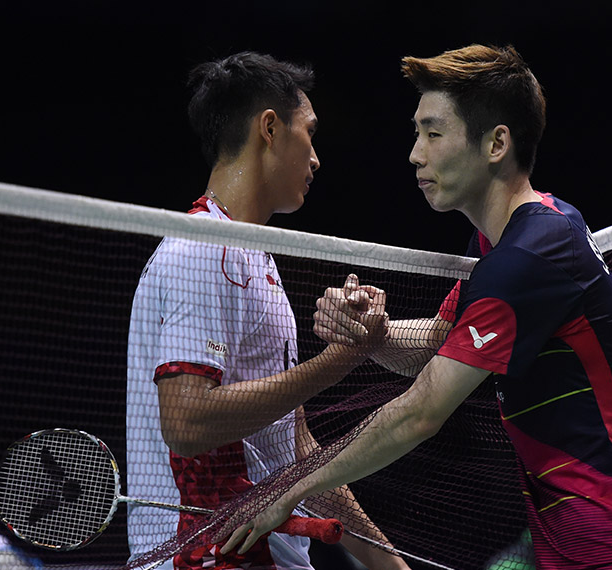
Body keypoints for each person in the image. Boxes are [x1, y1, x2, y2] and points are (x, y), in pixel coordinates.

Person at [221, 44, 612, 569]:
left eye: (434, 132)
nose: (415, 153)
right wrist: (374, 334)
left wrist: (289, 488)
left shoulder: (532, 256)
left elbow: (422, 409)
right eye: (417, 132)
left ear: (496, 143)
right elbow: (440, 342)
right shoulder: (516, 238)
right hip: (571, 541)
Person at [126, 51, 410, 570]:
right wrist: (342, 360)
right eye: (311, 132)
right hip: (203, 557)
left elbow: (296, 452)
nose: (318, 158)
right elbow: (186, 423)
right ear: (270, 129)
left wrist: (388, 563)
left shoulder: (256, 264)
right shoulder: (202, 250)